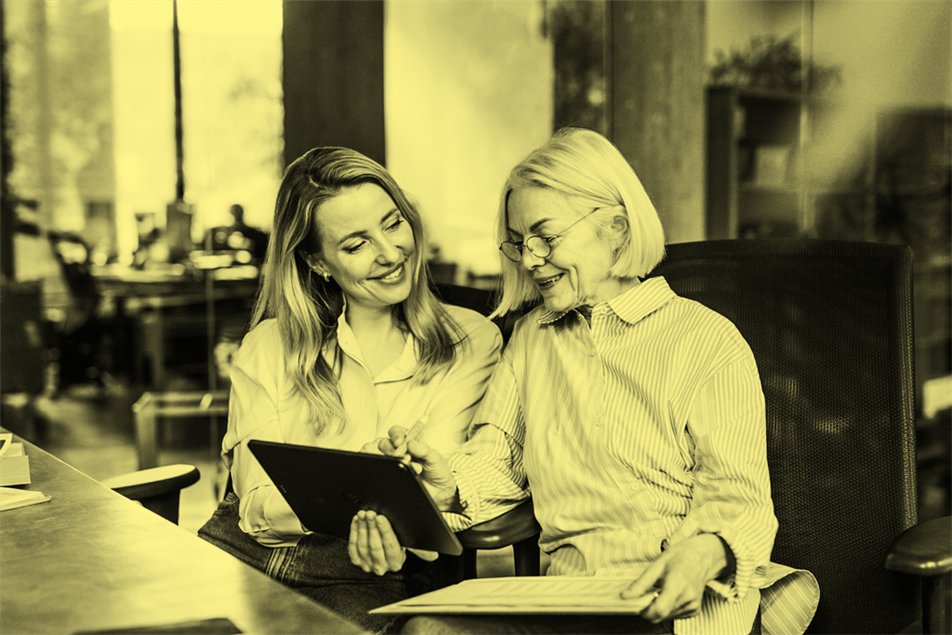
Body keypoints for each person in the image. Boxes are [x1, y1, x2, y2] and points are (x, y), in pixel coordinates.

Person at [351, 128, 819, 635]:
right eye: (518, 243)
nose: (529, 259)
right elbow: (498, 458)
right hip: (567, 601)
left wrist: (703, 553)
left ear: (616, 228)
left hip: (673, 604)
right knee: (427, 630)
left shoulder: (705, 340)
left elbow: (740, 502)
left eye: (546, 238)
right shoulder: (531, 339)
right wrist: (448, 485)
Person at [198, 147, 503, 635]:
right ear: (317, 261)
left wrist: (345, 498)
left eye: (393, 223)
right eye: (357, 245)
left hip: (368, 574)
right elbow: (253, 511)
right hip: (239, 558)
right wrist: (356, 492)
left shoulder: (471, 340)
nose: (390, 253)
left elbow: (433, 492)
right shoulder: (267, 345)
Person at [204, 203, 270, 261]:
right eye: (234, 213)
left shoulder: (253, 233)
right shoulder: (223, 233)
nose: (236, 215)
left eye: (238, 213)